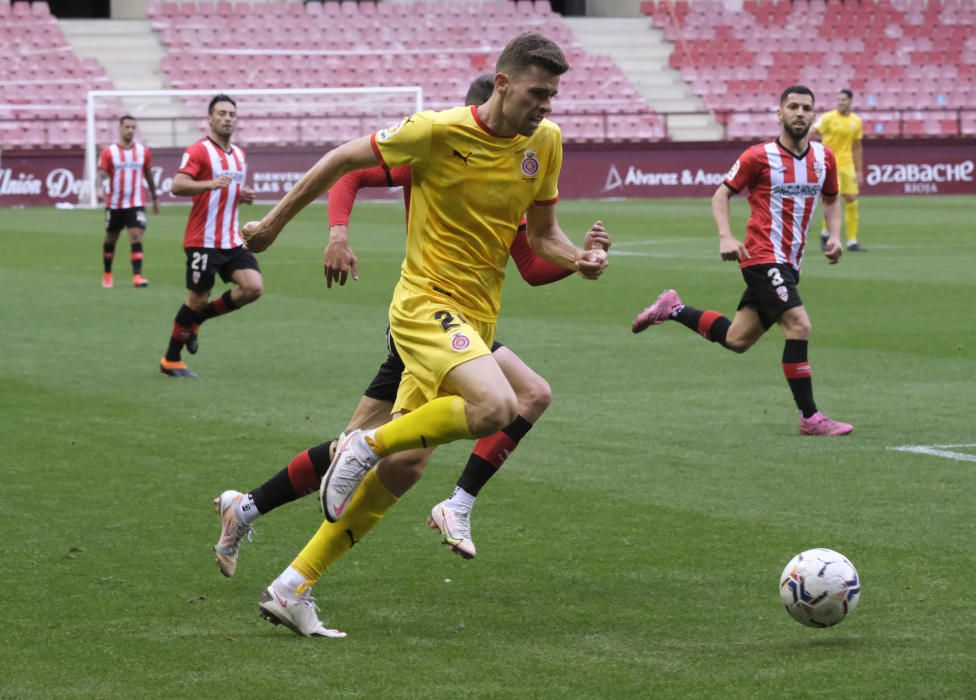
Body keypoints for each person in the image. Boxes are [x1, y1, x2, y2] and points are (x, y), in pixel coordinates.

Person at [240, 32, 609, 637]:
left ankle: (293, 587)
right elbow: (341, 161)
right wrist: (274, 226)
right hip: (423, 305)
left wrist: (580, 260)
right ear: (503, 84)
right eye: (538, 93)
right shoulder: (436, 131)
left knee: (408, 468)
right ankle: (364, 445)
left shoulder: (546, 142)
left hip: (475, 317)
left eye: (554, 95)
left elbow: (542, 237)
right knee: (496, 405)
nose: (546, 105)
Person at [632, 85, 853, 437]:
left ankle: (673, 308)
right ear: (779, 113)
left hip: (790, 263)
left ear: (814, 115)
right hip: (763, 257)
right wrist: (725, 235)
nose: (799, 112)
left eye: (806, 108)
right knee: (800, 326)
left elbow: (831, 199)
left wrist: (836, 236)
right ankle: (810, 417)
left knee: (737, 339)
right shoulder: (758, 156)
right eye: (792, 106)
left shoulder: (823, 158)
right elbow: (721, 194)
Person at [159, 94, 259, 378]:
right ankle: (171, 359)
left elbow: (228, 192)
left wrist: (243, 195)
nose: (228, 118)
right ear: (210, 119)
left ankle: (198, 320)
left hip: (231, 238)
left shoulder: (239, 155)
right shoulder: (199, 150)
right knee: (196, 298)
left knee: (253, 287)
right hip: (202, 240)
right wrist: (210, 183)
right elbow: (177, 185)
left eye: (232, 114)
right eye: (222, 113)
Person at [96, 115, 158, 288]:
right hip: (115, 203)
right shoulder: (109, 152)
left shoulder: (143, 151)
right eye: (127, 127)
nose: (130, 130)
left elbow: (148, 173)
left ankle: (137, 276)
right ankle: (107, 273)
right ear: (120, 128)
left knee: (136, 236)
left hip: (136, 202)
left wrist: (154, 196)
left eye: (133, 127)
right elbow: (101, 173)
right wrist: (99, 188)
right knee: (111, 239)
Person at [813, 89, 864, 251]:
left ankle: (852, 241)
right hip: (830, 164)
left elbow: (857, 147)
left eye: (844, 99)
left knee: (852, 200)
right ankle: (825, 233)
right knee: (832, 200)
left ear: (850, 101)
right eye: (839, 99)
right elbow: (811, 133)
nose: (840, 102)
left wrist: (859, 170)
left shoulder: (856, 121)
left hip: (847, 165)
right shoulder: (828, 118)